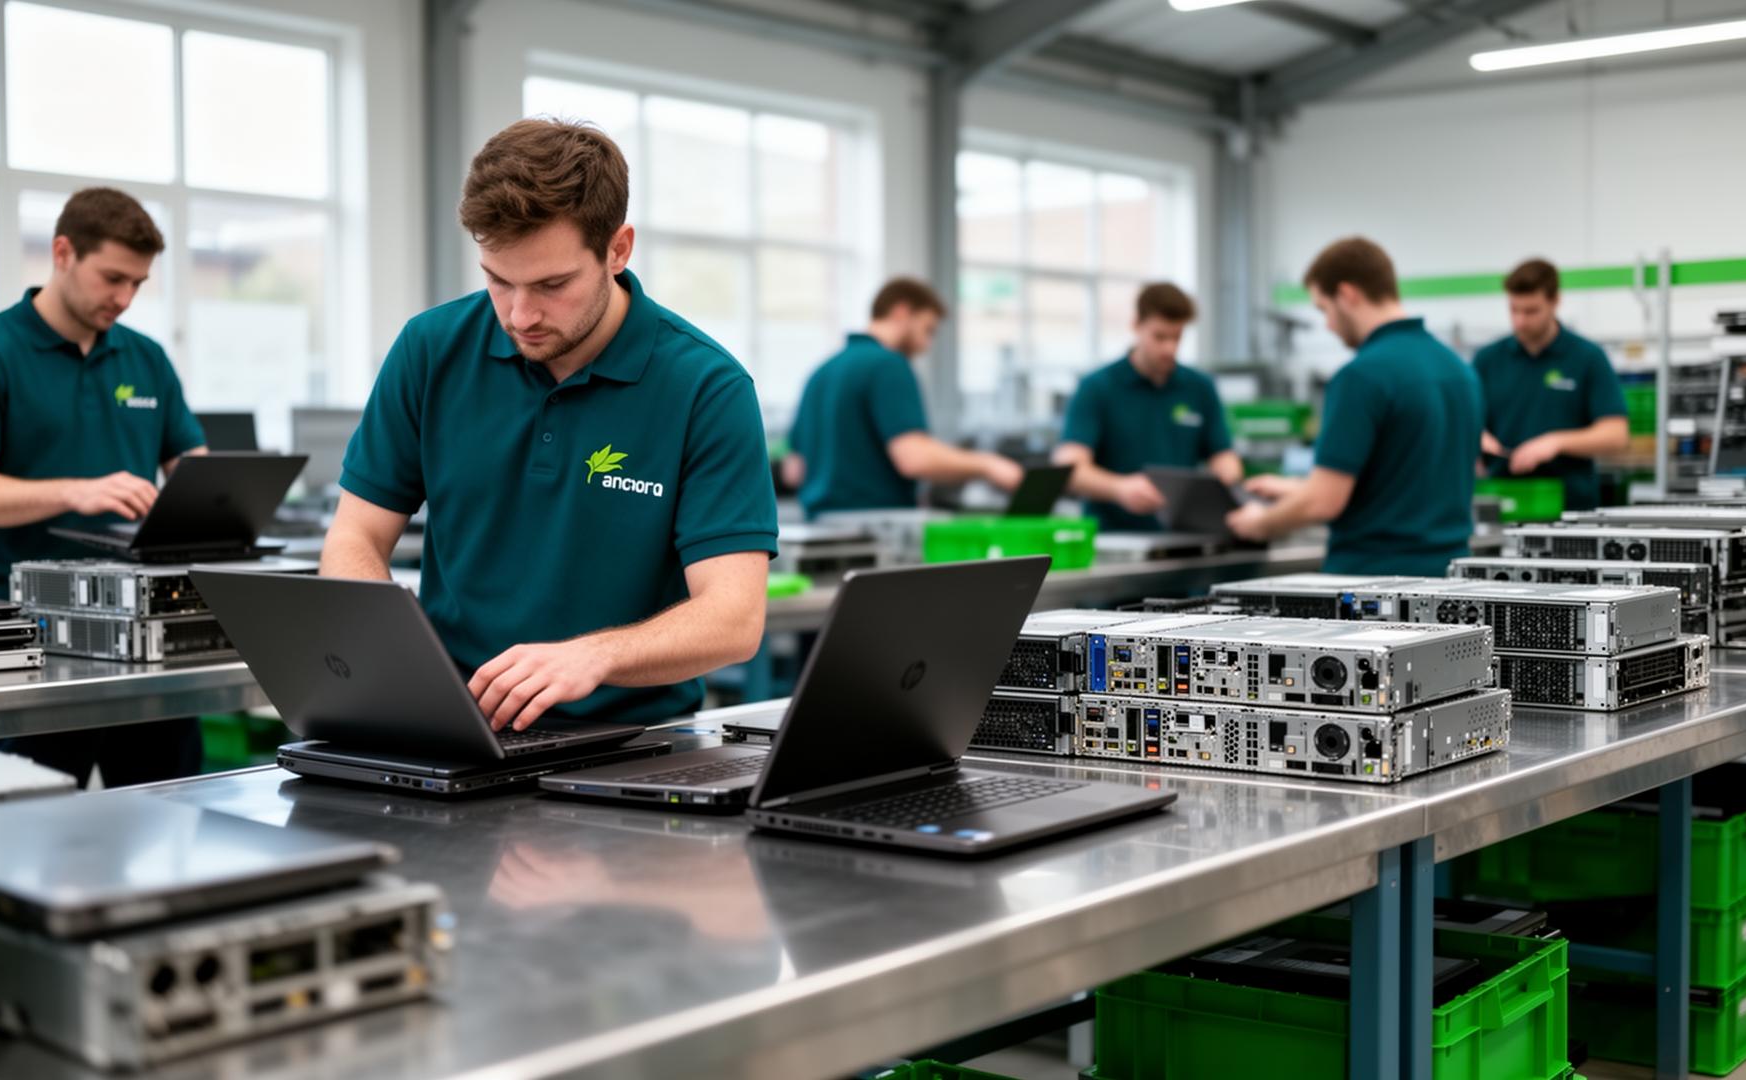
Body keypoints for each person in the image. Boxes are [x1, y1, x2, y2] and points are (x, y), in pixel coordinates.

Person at [322, 119, 776, 734]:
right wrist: (394, 662)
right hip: (449, 726)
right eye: (497, 280)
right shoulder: (430, 349)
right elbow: (355, 535)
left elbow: (733, 619)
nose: (520, 315)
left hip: (631, 742)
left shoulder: (706, 388)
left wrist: (594, 656)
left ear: (618, 250)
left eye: (552, 285)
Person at [0, 186, 207, 786]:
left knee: (169, 810)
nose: (124, 298)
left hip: (138, 632)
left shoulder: (147, 359)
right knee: (27, 821)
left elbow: (194, 469)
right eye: (112, 278)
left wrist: (214, 502)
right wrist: (74, 492)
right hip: (20, 632)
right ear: (63, 253)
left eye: (138, 283)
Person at [1227, 236, 1483, 577]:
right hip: (1448, 578)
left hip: (1370, 584)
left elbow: (1323, 502)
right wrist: (1299, 488)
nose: (1328, 325)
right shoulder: (1460, 371)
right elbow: (1406, 481)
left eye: (1324, 309)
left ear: (1347, 295)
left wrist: (1261, 523)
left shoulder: (1361, 376)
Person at [783, 279, 1023, 520]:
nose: (926, 345)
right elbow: (914, 458)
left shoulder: (821, 372)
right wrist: (988, 465)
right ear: (902, 312)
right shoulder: (888, 364)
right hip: (876, 527)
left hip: (819, 525)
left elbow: (794, 471)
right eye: (928, 330)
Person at [1054, 282, 1241, 531]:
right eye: (1159, 337)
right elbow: (1069, 468)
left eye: (1177, 337)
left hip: (1184, 535)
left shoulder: (1199, 387)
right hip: (1113, 537)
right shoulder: (1097, 387)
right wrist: (1118, 488)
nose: (1169, 348)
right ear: (1136, 325)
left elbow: (1223, 456)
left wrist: (1227, 479)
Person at [1473, 258, 1629, 512]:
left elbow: (1616, 435)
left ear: (1555, 301)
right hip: (1502, 501)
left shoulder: (1587, 358)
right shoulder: (1488, 360)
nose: (1520, 321)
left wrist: (1555, 442)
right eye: (1514, 310)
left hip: (1570, 510)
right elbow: (1464, 420)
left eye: (1531, 311)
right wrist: (1475, 436)